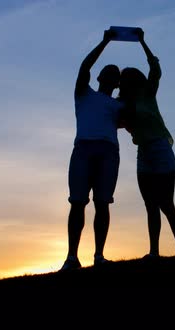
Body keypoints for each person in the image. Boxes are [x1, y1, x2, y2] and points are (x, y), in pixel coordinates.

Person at [118, 28, 175, 259]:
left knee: (167, 204)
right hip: (144, 154)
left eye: (128, 79)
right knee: (151, 206)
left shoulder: (148, 94)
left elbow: (155, 69)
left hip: (160, 149)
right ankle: (154, 252)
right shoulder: (123, 105)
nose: (126, 83)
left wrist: (142, 43)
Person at [60, 29, 127, 271]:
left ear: (117, 83)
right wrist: (105, 41)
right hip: (83, 150)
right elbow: (84, 66)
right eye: (107, 72)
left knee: (102, 203)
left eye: (115, 75)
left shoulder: (119, 105)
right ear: (98, 77)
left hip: (108, 152)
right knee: (77, 203)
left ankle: (99, 255)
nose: (111, 74)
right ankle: (71, 257)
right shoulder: (83, 93)